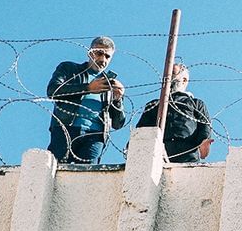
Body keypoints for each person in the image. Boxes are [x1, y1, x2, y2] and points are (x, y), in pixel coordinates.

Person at [46, 36, 127, 164]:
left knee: (88, 178)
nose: (102, 59)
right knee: (55, 170)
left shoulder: (109, 84)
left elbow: (118, 123)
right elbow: (53, 91)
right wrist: (87, 88)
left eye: (107, 56)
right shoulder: (70, 69)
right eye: (99, 53)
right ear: (90, 53)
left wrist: (117, 99)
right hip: (66, 128)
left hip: (95, 136)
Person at [135, 65, 214, 162]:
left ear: (184, 80)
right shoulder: (154, 105)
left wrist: (204, 141)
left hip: (187, 155)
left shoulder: (196, 103)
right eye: (166, 74)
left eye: (172, 73)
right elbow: (142, 130)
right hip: (158, 154)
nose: (168, 77)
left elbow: (205, 126)